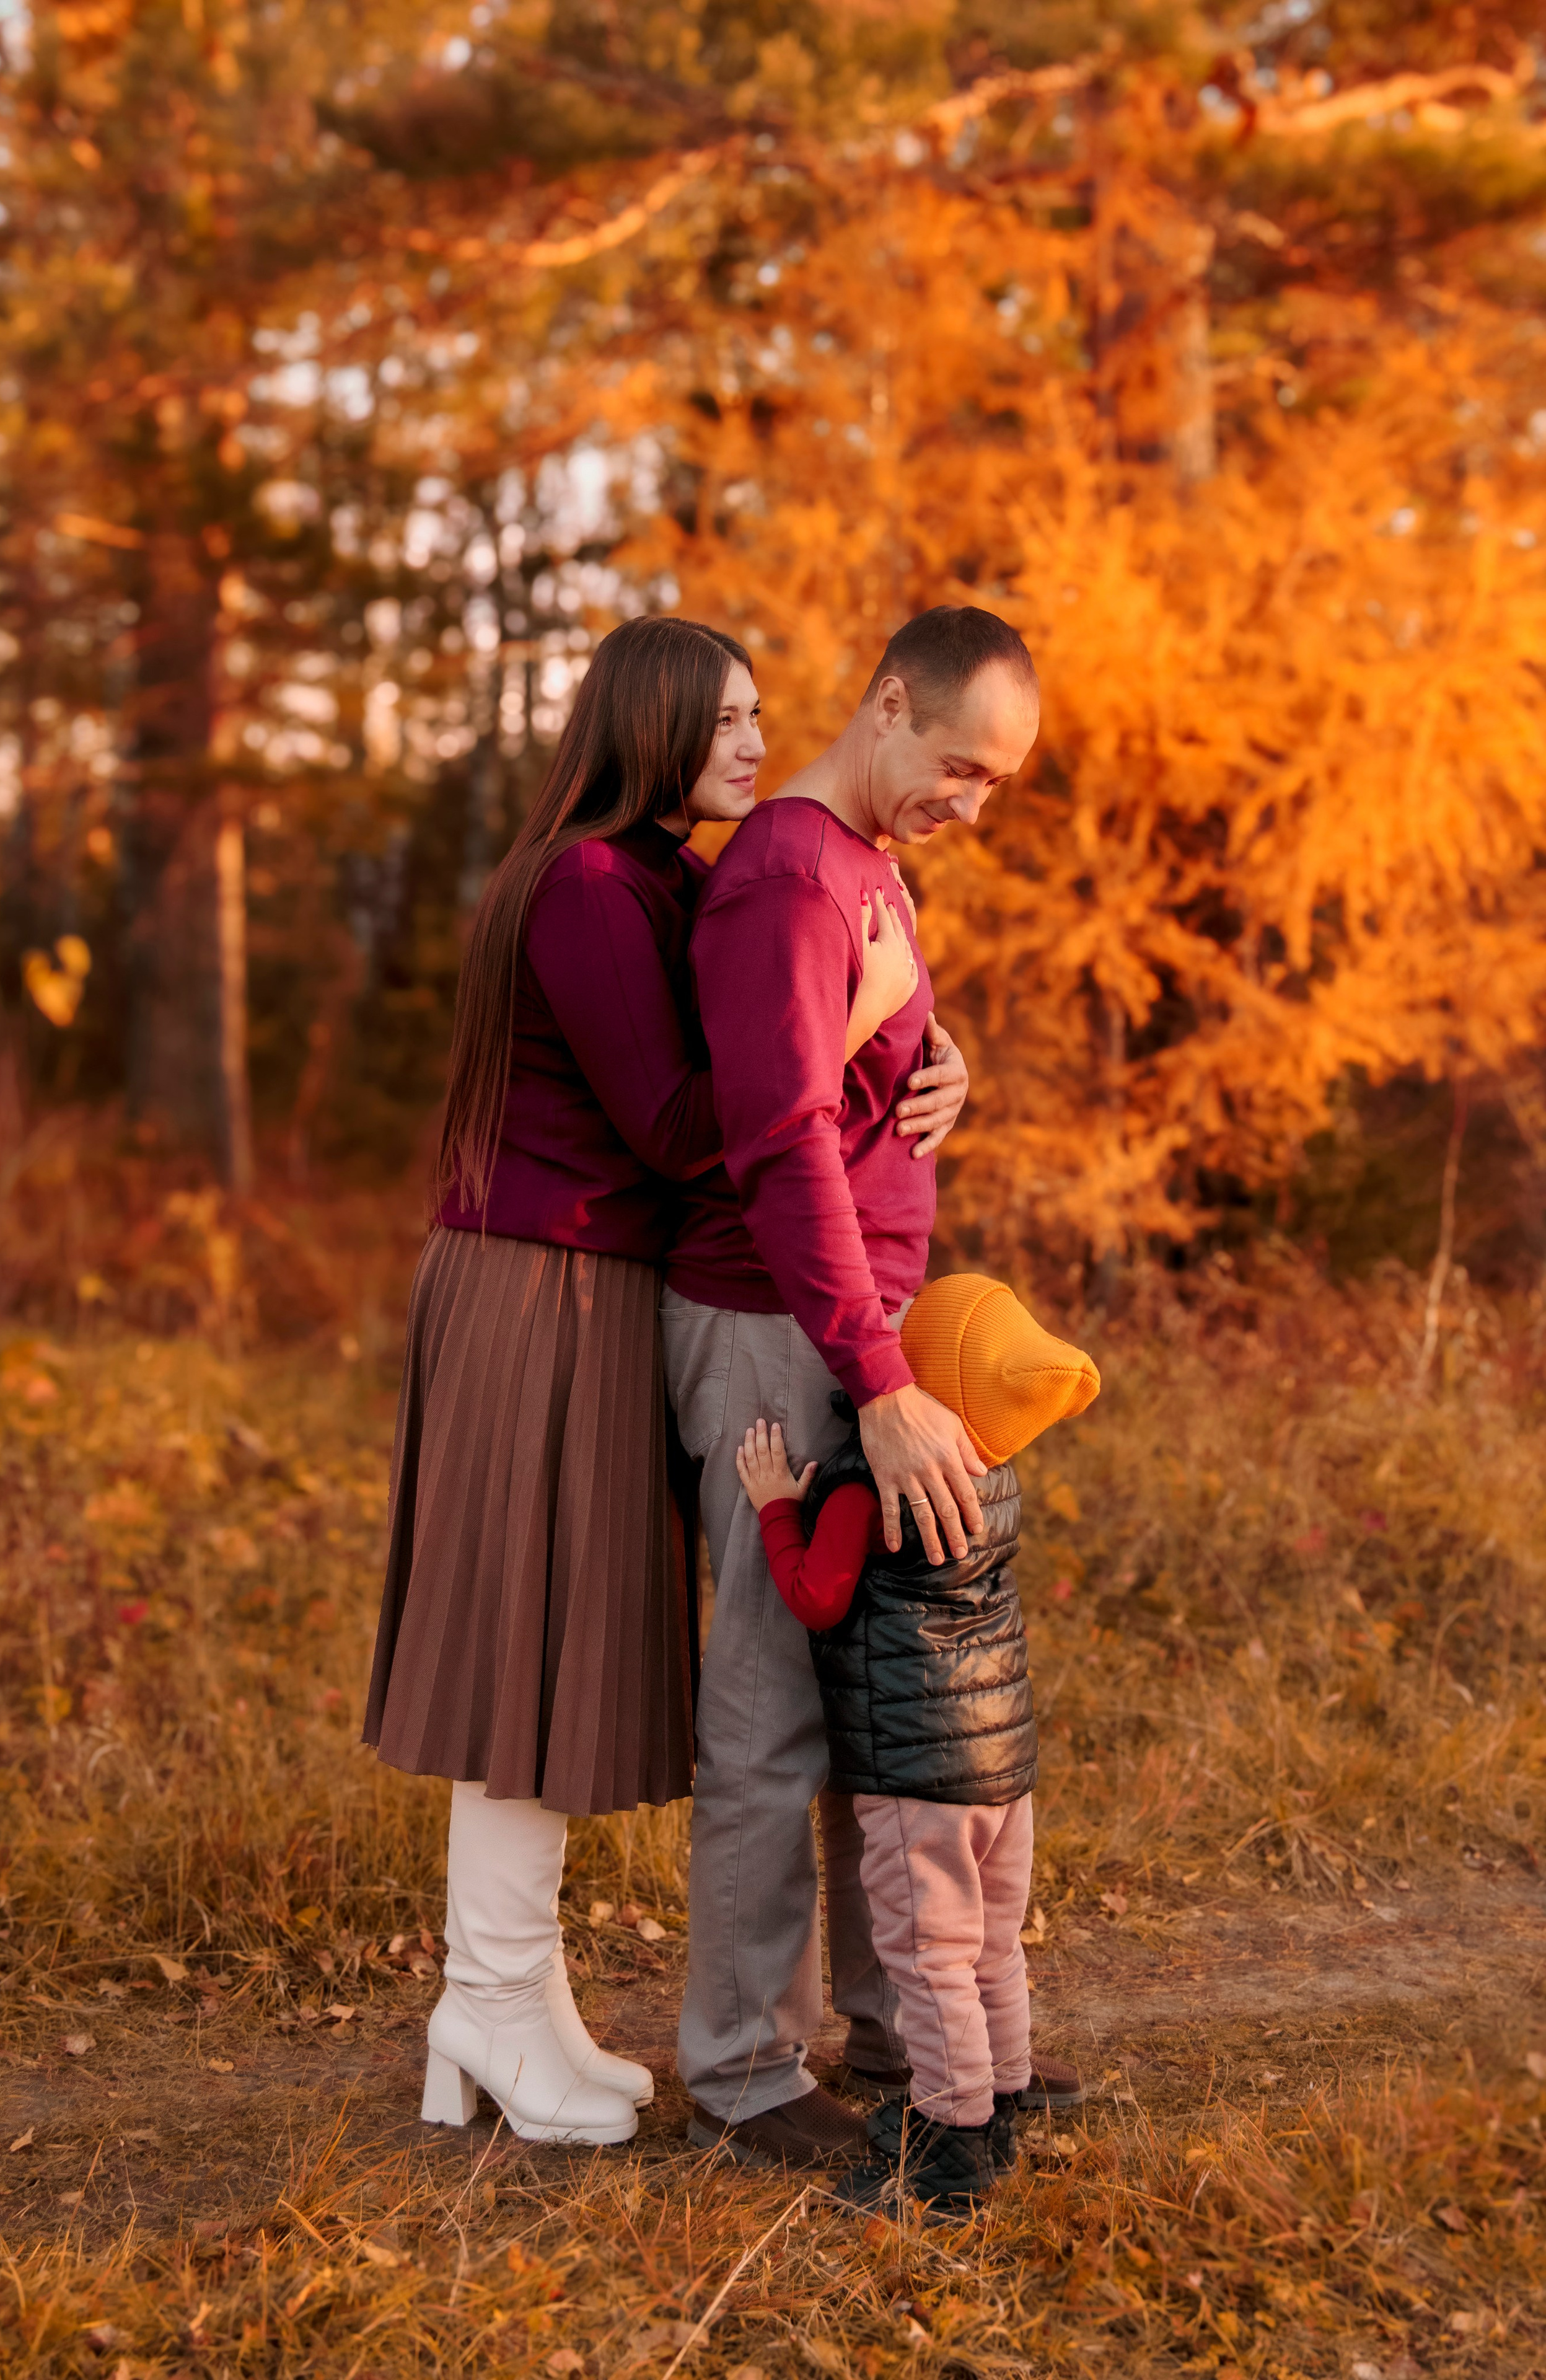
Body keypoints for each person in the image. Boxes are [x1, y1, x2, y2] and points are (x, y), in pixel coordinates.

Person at [362, 615, 925, 2146]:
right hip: (532, 1280)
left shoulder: (673, 878)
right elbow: (691, 1127)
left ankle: (512, 1998)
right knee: (516, 1647)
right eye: (723, 719)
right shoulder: (589, 888)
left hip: (599, 1286)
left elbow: (763, 1050)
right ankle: (485, 1997)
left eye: (758, 716)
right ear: (651, 726)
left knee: (560, 1642)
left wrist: (928, 1055)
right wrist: (862, 1019)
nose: (753, 743)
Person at [662, 605, 1046, 2166]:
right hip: (778, 1330)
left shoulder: (868, 865)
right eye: (962, 765)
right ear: (890, 704)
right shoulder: (785, 878)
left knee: (888, 1702)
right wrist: (877, 1378)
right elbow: (775, 1148)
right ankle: (747, 2076)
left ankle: (906, 2035)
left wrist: (945, 1062)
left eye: (1001, 784)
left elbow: (855, 1073)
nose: (976, 804)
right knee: (767, 1711)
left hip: (855, 1329)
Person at [734, 1273, 1100, 2222]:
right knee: (990, 1946)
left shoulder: (873, 1485)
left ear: (925, 1378)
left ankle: (948, 2148)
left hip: (914, 1768)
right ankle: (1002, 2100)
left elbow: (818, 1596)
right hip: (999, 1768)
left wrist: (779, 1508)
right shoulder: (996, 1469)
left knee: (926, 1955)